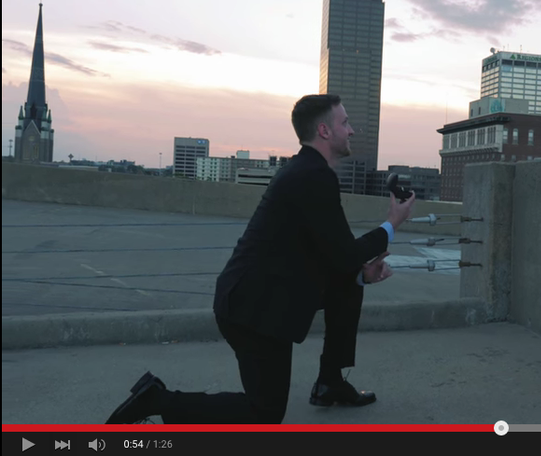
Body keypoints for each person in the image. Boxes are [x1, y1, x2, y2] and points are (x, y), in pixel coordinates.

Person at [105, 94, 416, 423]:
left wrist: (360, 275)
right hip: (254, 310)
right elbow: (345, 253)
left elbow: (332, 254)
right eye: (345, 122)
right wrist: (393, 222)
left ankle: (331, 382)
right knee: (263, 414)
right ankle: (158, 399)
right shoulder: (313, 176)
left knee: (349, 287)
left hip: (256, 295)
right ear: (324, 131)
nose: (352, 130)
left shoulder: (307, 170)